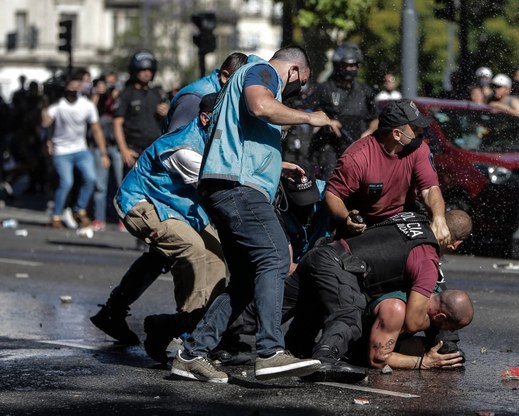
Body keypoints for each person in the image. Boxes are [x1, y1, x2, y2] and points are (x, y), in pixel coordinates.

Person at [170, 45, 340, 383]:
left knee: (247, 280)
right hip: (237, 188)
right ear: (294, 70)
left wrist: (278, 166)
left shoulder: (251, 78)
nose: (298, 91)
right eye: (301, 82)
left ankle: (192, 354)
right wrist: (310, 116)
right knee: (276, 257)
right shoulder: (261, 71)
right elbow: (260, 106)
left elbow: (242, 139)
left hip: (228, 185)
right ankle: (270, 352)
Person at [90, 94, 226, 350]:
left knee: (215, 254)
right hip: (142, 202)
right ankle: (187, 332)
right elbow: (219, 188)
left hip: (178, 205)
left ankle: (208, 328)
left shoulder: (217, 129)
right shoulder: (187, 147)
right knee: (192, 249)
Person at [286, 209, 472, 382]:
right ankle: (324, 358)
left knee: (267, 313)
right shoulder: (424, 265)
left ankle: (288, 347)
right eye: (448, 327)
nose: (447, 330)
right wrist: (423, 363)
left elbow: (447, 305)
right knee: (348, 313)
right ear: (457, 244)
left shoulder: (415, 218)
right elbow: (411, 325)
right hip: (338, 265)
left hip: (326, 254)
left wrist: (448, 348)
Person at [324, 98, 451, 246]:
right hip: (366, 227)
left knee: (456, 226)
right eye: (416, 128)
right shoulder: (357, 157)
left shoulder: (419, 149)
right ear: (397, 134)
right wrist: (347, 218)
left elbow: (429, 189)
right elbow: (332, 195)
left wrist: (439, 218)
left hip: (404, 222)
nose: (421, 132)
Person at [41, 71, 110, 229]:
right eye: (71, 84)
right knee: (66, 182)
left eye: (77, 84)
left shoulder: (87, 105)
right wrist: (45, 102)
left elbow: (96, 129)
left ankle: (79, 210)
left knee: (91, 178)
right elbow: (45, 122)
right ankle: (56, 216)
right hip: (61, 150)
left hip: (81, 149)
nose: (74, 87)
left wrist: (103, 153)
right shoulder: (58, 105)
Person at [307, 42, 379, 179]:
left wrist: (369, 133)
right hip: (329, 149)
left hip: (358, 149)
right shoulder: (325, 89)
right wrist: (328, 122)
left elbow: (376, 118)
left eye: (353, 65)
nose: (349, 69)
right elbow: (306, 111)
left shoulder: (365, 91)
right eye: (346, 65)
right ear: (338, 65)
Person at [163, 52, 248, 133]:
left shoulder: (223, 95)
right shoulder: (195, 99)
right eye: (242, 84)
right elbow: (176, 142)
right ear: (225, 76)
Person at [113, 51, 169, 173]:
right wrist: (124, 150)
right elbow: (117, 123)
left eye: (149, 70)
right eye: (142, 70)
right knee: (132, 191)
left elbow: (167, 122)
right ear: (135, 71)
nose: (146, 73)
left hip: (155, 150)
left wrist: (166, 114)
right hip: (134, 150)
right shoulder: (126, 94)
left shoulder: (157, 93)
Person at [89, 74, 121, 231]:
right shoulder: (97, 101)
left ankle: (123, 219)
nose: (108, 88)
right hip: (100, 147)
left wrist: (116, 97)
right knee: (100, 185)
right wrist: (97, 96)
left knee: (121, 184)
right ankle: (99, 218)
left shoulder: (119, 99)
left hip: (116, 147)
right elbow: (90, 115)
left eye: (111, 84)